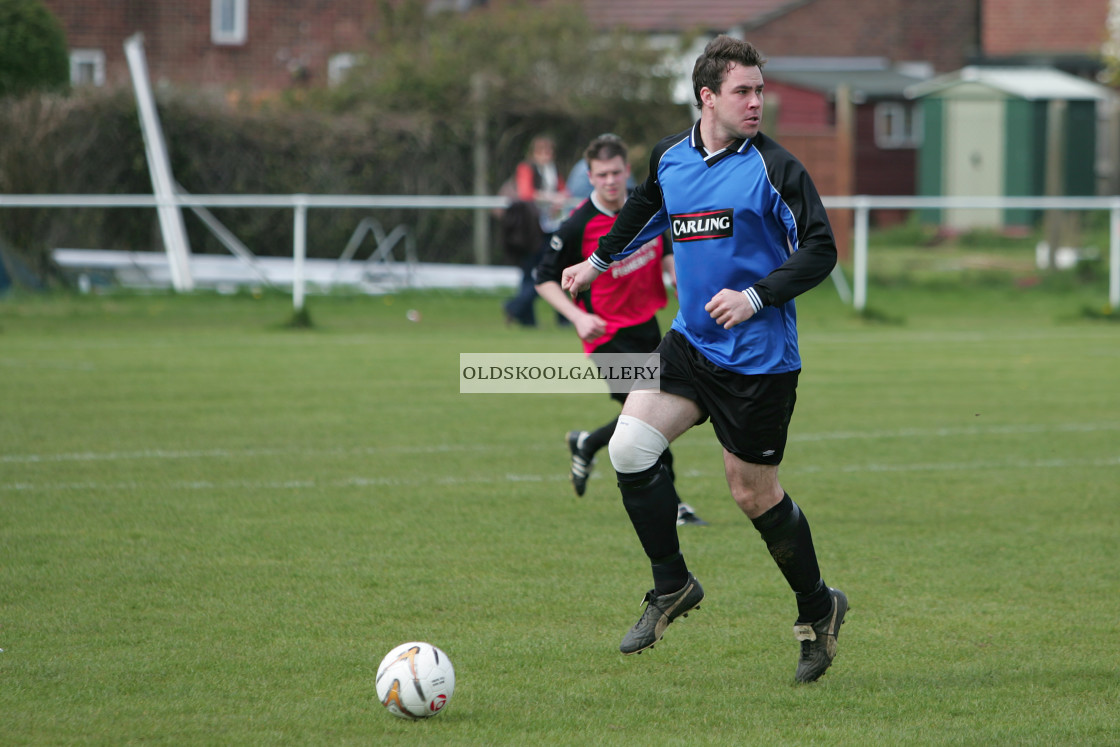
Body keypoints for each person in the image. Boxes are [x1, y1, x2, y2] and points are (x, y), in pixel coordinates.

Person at [561, 35, 847, 683]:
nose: (755, 103)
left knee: (752, 492)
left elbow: (822, 249)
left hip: (760, 362)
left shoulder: (776, 169)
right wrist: (596, 262)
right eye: (743, 91)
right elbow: (642, 207)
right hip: (690, 345)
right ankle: (672, 585)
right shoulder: (671, 158)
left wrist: (756, 295)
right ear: (707, 97)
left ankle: (817, 608)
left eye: (760, 91)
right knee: (629, 447)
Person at [534, 134, 707, 527]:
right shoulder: (579, 223)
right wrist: (577, 317)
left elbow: (664, 249)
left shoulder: (642, 207)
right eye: (601, 175)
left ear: (627, 171)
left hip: (648, 324)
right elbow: (543, 278)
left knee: (652, 412)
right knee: (653, 413)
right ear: (590, 177)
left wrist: (676, 277)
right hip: (606, 336)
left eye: (616, 173)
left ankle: (588, 442)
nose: (610, 181)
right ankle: (675, 505)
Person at [503, 134, 569, 327]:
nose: (545, 155)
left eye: (548, 151)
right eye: (541, 151)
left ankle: (518, 309)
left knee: (553, 270)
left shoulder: (553, 170)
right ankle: (522, 313)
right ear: (533, 153)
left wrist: (560, 198)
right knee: (531, 273)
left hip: (549, 227)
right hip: (529, 230)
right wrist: (552, 197)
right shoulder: (526, 168)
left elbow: (565, 191)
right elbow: (526, 193)